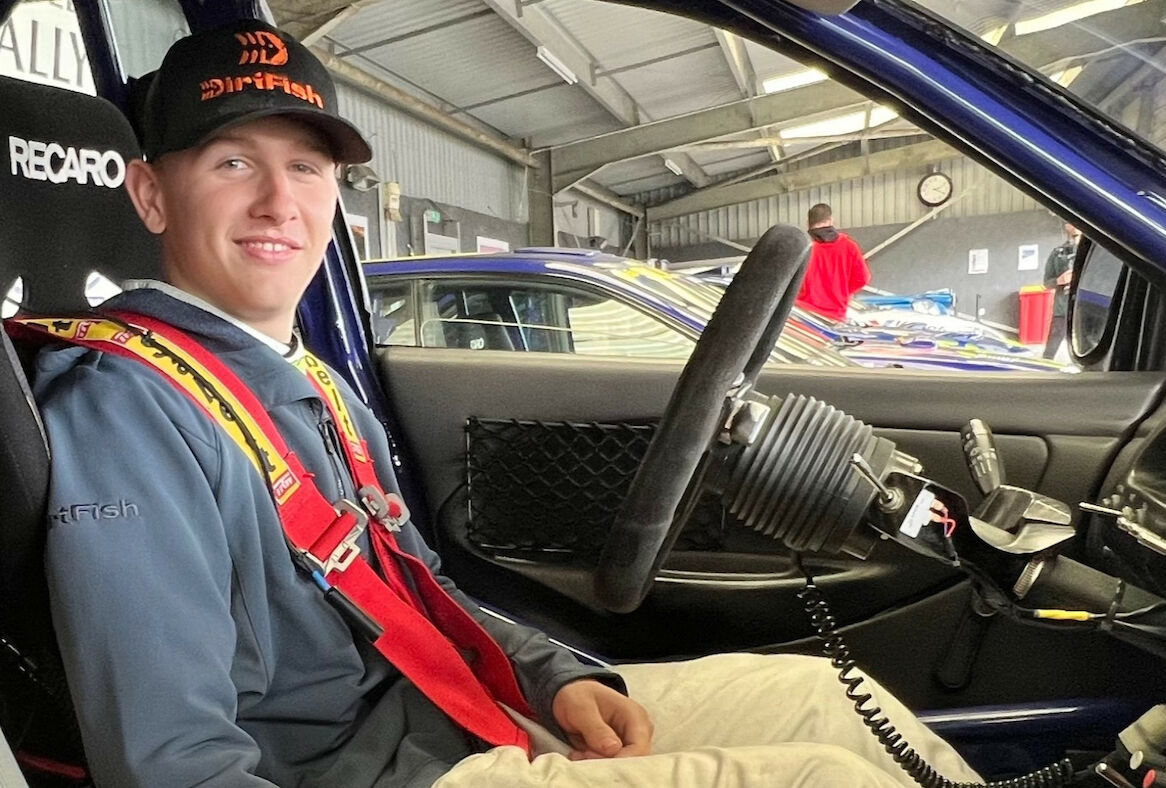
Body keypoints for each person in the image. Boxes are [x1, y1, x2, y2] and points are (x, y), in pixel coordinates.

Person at [27, 20, 980, 788]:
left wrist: (552, 676)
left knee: (824, 700)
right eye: (232, 163)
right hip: (372, 771)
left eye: (307, 167)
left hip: (452, 709)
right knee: (822, 776)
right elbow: (173, 764)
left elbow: (419, 585)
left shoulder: (315, 384)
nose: (280, 200)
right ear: (150, 195)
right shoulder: (128, 413)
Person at [796, 203, 872, 320]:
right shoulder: (849, 246)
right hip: (835, 315)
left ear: (808, 223)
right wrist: (842, 292)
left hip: (804, 316)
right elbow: (863, 278)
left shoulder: (802, 247)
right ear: (831, 220)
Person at [1041, 223, 1082, 359]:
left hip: (1086, 307)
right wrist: (1059, 280)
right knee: (1052, 346)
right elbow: (1047, 283)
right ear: (1066, 226)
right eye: (1071, 222)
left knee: (1087, 343)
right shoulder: (1058, 253)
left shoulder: (1095, 252)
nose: (1075, 226)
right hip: (1062, 308)